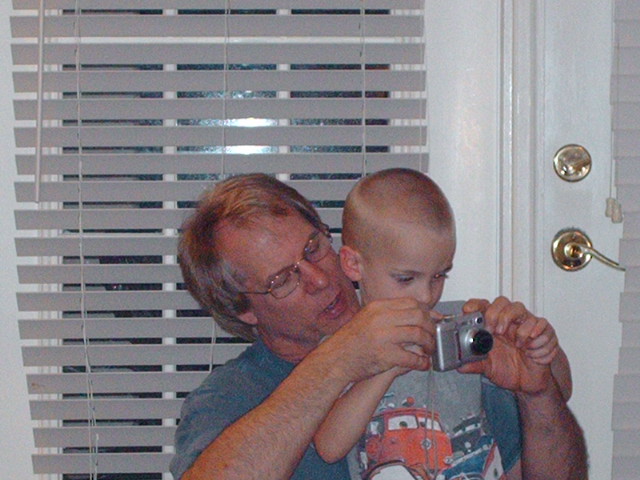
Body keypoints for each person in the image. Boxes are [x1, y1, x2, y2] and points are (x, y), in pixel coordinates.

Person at [170, 173, 587, 480]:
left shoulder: (448, 337)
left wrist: (538, 393)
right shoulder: (232, 396)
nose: (319, 279)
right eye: (283, 280)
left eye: (313, 248)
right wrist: (341, 361)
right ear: (244, 310)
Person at [312, 168, 573, 479]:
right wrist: (390, 364)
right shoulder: (341, 347)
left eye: (439, 275)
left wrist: (541, 353)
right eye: (406, 278)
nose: (426, 295)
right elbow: (329, 446)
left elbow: (561, 389)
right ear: (354, 264)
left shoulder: (458, 327)